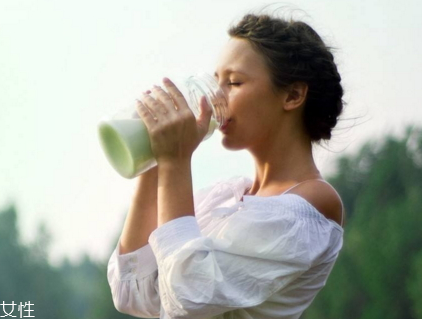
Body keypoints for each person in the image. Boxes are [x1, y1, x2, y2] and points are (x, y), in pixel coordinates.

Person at [107, 12, 345, 319]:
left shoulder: (312, 205)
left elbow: (189, 295)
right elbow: (132, 292)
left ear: (293, 95)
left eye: (234, 82)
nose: (217, 97)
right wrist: (154, 157)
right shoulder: (225, 196)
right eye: (216, 82)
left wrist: (175, 160)